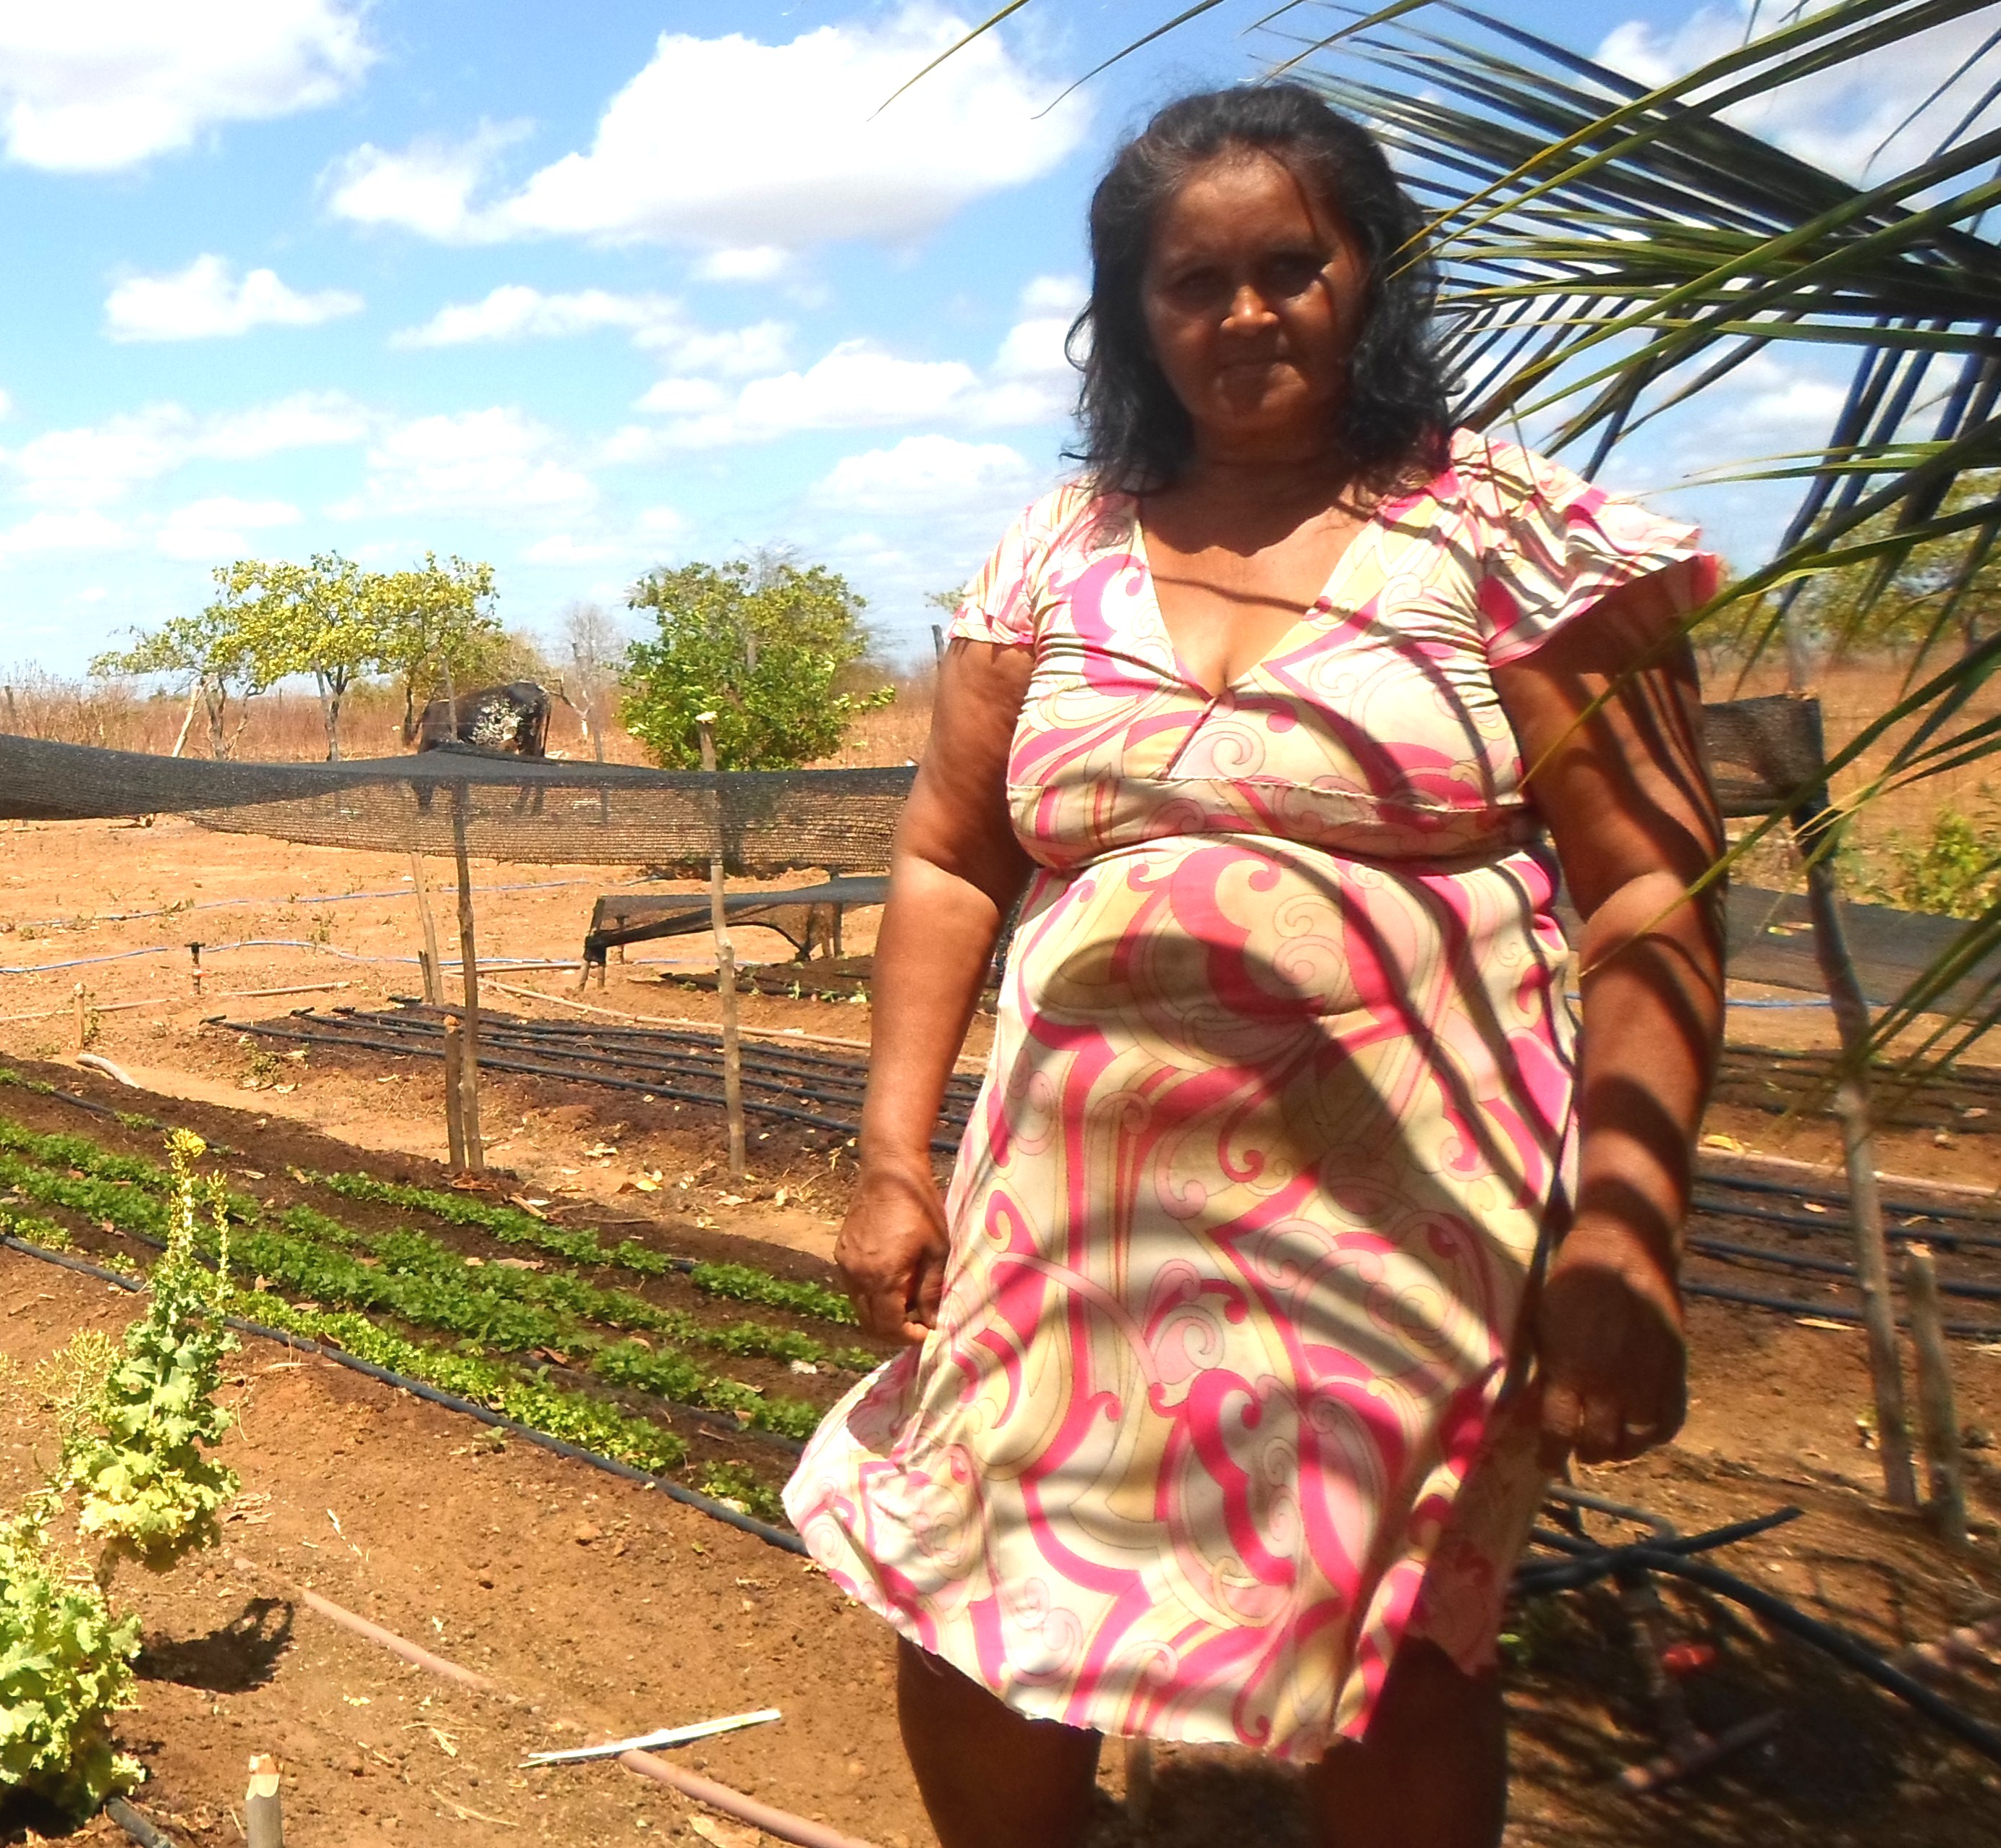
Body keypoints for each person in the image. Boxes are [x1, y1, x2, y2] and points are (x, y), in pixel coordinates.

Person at [782, 83, 1724, 1848]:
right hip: (1075, 1215)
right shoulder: (1055, 556)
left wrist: (1624, 1230)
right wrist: (895, 1156)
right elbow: (947, 854)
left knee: (1386, 1660)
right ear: (1131, 317)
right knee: (971, 1599)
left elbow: (1650, 895)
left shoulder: (1510, 540)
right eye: (1189, 282)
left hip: (1398, 1224)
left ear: (1371, 272)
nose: (1243, 314)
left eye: (1292, 265)